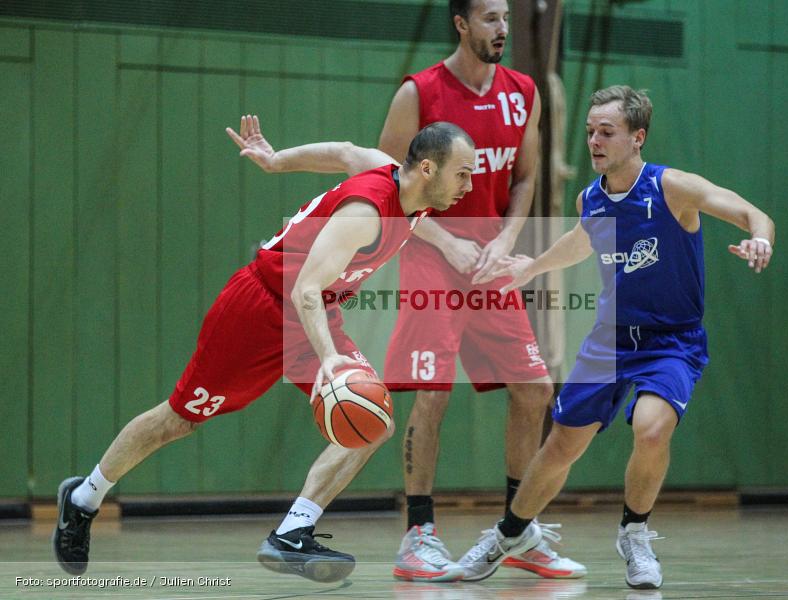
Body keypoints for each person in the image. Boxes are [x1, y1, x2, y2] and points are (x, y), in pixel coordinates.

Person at [52, 116, 476, 584]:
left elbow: (344, 150)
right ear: (429, 169)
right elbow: (305, 291)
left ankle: (292, 533)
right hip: (261, 309)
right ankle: (84, 497)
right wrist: (330, 358)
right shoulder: (366, 214)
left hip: (316, 312)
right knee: (178, 420)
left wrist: (277, 161)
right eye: (463, 173)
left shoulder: (401, 183)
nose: (469, 185)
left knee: (372, 424)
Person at [455, 85, 776, 588]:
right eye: (589, 133)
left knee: (651, 427)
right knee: (561, 445)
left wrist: (760, 238)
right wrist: (532, 267)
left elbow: (751, 212)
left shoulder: (673, 188)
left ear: (637, 137)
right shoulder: (592, 197)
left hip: (672, 341)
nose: (594, 141)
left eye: (607, 132)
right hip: (610, 339)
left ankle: (635, 534)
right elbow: (581, 240)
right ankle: (508, 534)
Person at [377, 0, 584, 581]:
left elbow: (524, 178)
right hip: (429, 257)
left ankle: (517, 531)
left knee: (535, 389)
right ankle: (418, 535)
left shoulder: (524, 91)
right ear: (461, 24)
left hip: (491, 265)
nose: (502, 30)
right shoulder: (418, 93)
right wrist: (447, 244)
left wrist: (507, 239)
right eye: (490, 19)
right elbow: (386, 183)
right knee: (433, 392)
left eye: (505, 19)